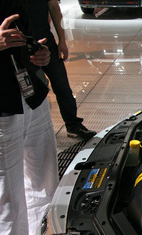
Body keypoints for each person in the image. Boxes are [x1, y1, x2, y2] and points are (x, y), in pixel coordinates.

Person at [0, 1, 59, 235]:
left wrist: (41, 55)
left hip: (31, 94)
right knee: (7, 198)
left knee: (45, 181)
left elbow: (32, 35)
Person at [25, 0, 96, 140]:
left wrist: (62, 40)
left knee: (62, 85)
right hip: (21, 45)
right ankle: (28, 131)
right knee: (29, 91)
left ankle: (73, 125)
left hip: (46, 40)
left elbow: (53, 6)